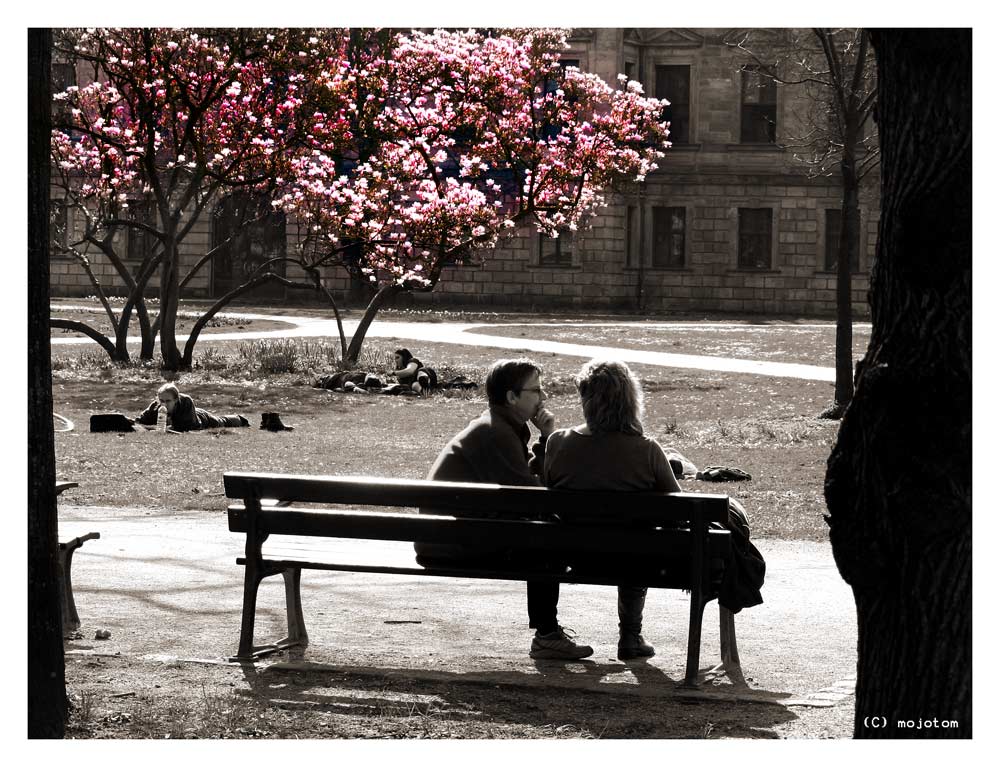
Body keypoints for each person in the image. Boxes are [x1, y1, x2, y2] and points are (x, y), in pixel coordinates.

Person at [415, 358, 593, 661]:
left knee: (544, 535)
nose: (543, 397)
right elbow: (534, 496)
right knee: (545, 541)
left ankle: (548, 634)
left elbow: (527, 487)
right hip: (450, 543)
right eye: (535, 390)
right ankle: (547, 636)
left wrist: (546, 438)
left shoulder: (498, 426)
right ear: (512, 397)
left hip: (453, 534)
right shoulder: (496, 432)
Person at [543, 359, 681, 661]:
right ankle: (630, 636)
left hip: (575, 557)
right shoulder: (647, 450)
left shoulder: (558, 443)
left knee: (629, 541)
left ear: (586, 399)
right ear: (631, 400)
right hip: (633, 561)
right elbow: (679, 510)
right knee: (637, 542)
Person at [136, 383, 249, 432]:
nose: (164, 404)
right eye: (161, 400)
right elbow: (139, 422)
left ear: (176, 399)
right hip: (190, 416)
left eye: (168, 401)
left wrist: (153, 428)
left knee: (221, 421)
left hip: (201, 418)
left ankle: (240, 418)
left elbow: (183, 428)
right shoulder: (155, 406)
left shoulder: (185, 402)